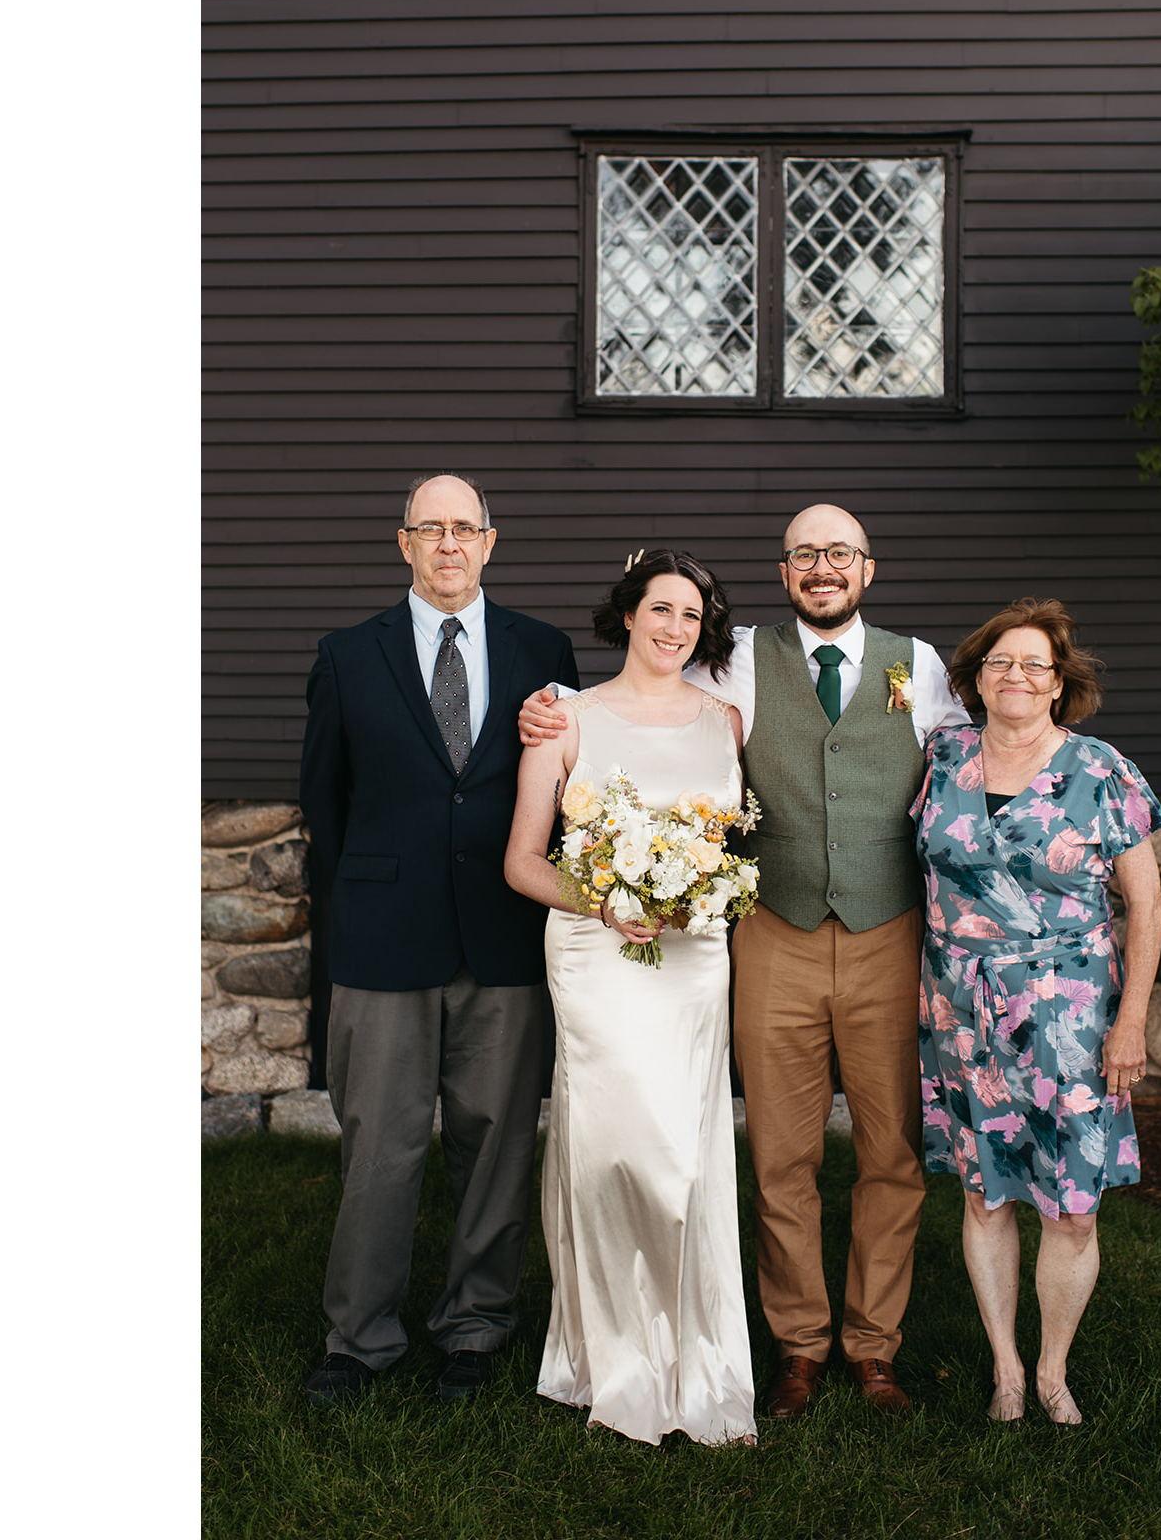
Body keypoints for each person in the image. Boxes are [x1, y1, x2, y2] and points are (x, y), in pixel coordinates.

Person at [519, 505, 969, 1417]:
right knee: (782, 1155)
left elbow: (971, 754)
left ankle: (874, 1348)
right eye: (805, 554)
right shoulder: (734, 661)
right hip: (774, 933)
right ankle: (799, 1345)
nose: (822, 568)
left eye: (839, 553)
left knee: (891, 1153)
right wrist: (550, 705)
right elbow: (646, 685)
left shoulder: (916, 665)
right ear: (784, 569)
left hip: (888, 933)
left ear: (868, 569)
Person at [297, 472, 579, 1404]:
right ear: (404, 542)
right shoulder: (348, 654)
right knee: (380, 1144)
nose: (450, 544)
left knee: (496, 1139)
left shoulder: (545, 651)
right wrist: (347, 924)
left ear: (491, 543)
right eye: (432, 529)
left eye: (466, 528)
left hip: (503, 935)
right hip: (384, 939)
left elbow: (569, 791)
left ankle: (475, 1325)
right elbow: (325, 805)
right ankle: (359, 1338)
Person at [503, 549, 756, 1446]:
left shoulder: (726, 720)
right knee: (612, 1151)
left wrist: (701, 891)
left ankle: (698, 1354)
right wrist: (603, 898)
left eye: (692, 615)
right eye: (661, 608)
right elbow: (523, 861)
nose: (675, 628)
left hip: (693, 960)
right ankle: (606, 1354)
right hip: (595, 956)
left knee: (686, 1158)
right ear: (628, 614)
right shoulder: (565, 718)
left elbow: (732, 844)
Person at [914, 598, 1161, 1425]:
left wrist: (1131, 1023)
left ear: (1061, 683)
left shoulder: (1100, 770)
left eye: (1035, 665)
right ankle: (1006, 1370)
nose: (1015, 676)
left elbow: (1147, 907)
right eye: (999, 663)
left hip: (1072, 1021)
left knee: (1072, 1204)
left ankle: (1054, 1369)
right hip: (961, 1013)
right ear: (975, 680)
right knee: (985, 1195)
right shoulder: (942, 755)